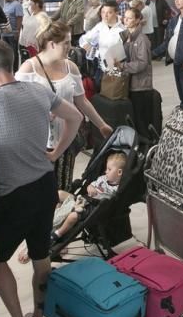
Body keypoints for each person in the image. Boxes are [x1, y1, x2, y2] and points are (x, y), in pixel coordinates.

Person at [0, 38, 82, 317]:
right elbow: (76, 117)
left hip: (13, 196)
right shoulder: (38, 90)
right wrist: (55, 153)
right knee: (41, 257)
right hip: (45, 187)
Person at [16, 20, 113, 191]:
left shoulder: (71, 67)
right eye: (66, 43)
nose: (71, 46)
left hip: (67, 140)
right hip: (39, 144)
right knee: (40, 190)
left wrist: (101, 124)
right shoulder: (28, 69)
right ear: (52, 44)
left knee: (63, 187)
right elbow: (15, 107)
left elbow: (81, 100)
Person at [116, 7, 154, 139]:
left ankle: (146, 144)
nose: (125, 20)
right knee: (135, 117)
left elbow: (142, 63)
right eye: (124, 17)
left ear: (138, 20)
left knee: (140, 119)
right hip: (131, 83)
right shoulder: (127, 36)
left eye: (129, 18)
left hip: (141, 85)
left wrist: (123, 66)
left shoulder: (141, 39)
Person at [79, 0, 125, 73]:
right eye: (103, 12)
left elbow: (119, 56)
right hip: (99, 69)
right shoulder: (100, 26)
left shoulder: (122, 30)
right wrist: (86, 45)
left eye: (109, 12)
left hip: (114, 72)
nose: (105, 15)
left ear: (116, 13)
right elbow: (83, 39)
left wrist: (96, 52)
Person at [2, 0, 24, 72]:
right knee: (6, 53)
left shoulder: (17, 5)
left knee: (14, 53)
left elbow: (19, 18)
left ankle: (15, 71)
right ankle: (8, 71)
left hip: (12, 34)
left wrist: (17, 31)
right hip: (5, 34)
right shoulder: (5, 4)